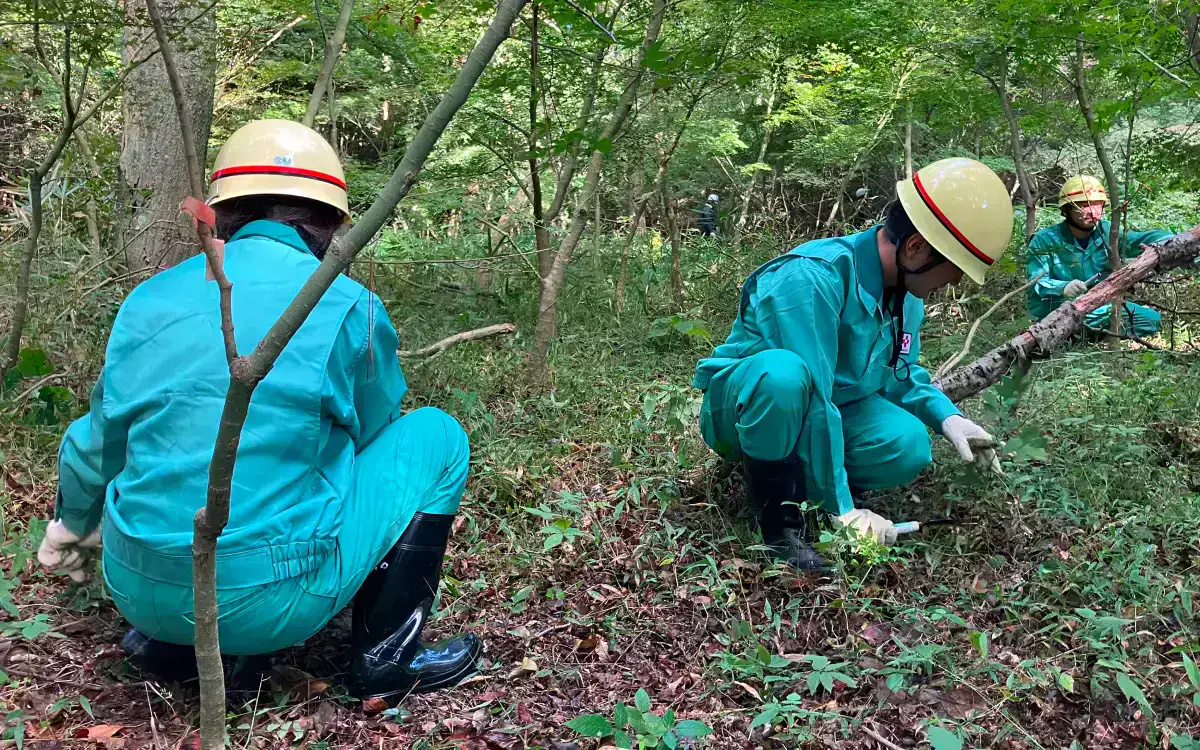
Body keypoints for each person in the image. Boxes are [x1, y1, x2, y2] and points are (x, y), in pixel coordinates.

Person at [36, 119, 480, 704]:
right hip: (269, 605)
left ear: (220, 213)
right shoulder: (348, 305)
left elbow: (95, 443)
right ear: (330, 225)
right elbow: (377, 434)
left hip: (136, 589)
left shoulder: (149, 297)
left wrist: (70, 524)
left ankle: (167, 642)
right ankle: (386, 657)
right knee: (435, 437)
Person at [693, 158, 1011, 572]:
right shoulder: (811, 278)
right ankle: (779, 525)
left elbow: (900, 372)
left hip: (830, 407)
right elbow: (813, 397)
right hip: (749, 409)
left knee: (908, 443)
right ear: (916, 248)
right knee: (784, 376)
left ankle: (807, 482)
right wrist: (842, 511)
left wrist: (948, 417)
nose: (953, 284)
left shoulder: (907, 297)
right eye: (954, 270)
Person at [1027, 175, 1172, 337]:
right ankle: (1061, 336)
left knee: (1152, 320)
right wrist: (1063, 287)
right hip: (1056, 309)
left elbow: (1141, 239)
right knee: (1059, 324)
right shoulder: (1044, 240)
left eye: (1097, 205)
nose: (1092, 211)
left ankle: (1086, 336)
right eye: (1082, 205)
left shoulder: (1109, 231)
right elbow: (1037, 282)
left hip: (1099, 306)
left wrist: (1176, 240)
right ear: (1066, 210)